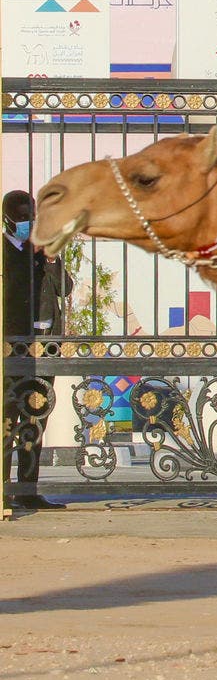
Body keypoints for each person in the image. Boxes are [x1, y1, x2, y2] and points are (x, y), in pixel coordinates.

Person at [4, 190, 68, 511]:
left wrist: (51, 259)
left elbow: (65, 288)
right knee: (7, 419)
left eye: (31, 216)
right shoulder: (5, 253)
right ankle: (3, 490)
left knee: (36, 418)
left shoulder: (42, 253)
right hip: (12, 349)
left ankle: (27, 488)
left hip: (45, 348)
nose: (28, 223)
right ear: (8, 219)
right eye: (22, 217)